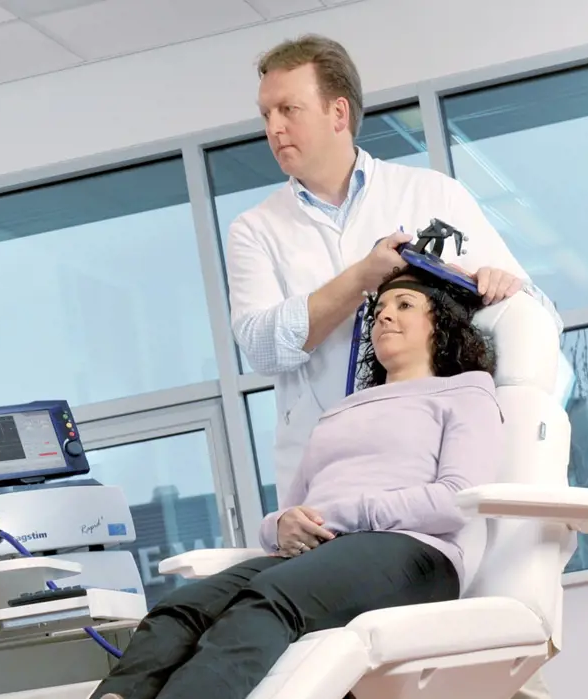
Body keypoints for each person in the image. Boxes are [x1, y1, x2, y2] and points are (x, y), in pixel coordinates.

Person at [224, 34, 561, 699]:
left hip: (427, 479)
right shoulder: (255, 230)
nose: (273, 128)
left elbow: (534, 314)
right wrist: (361, 277)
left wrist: (502, 282)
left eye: (288, 109)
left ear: (339, 113)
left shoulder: (429, 193)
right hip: (329, 486)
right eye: (266, 115)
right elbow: (261, 345)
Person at [90, 266, 502, 699]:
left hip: (414, 552)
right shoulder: (338, 414)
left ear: (442, 322)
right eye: (379, 309)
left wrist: (345, 515)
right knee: (182, 607)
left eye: (404, 306)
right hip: (324, 552)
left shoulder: (466, 394)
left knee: (269, 598)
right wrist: (283, 525)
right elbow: (287, 515)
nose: (384, 317)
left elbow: (457, 499)